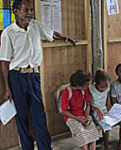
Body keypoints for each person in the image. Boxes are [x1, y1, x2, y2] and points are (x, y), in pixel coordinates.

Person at [0, 0, 77, 150]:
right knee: (21, 117)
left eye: (31, 10)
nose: (30, 13)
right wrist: (7, 88)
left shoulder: (36, 26)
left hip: (34, 76)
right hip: (17, 77)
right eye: (26, 10)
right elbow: (4, 62)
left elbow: (51, 34)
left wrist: (67, 38)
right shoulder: (8, 33)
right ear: (16, 11)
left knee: (39, 116)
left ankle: (45, 148)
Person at [89, 68, 121, 150]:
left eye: (106, 86)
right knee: (106, 125)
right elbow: (89, 106)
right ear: (96, 83)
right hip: (96, 112)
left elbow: (108, 104)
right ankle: (106, 147)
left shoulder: (108, 88)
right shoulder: (90, 89)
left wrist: (114, 112)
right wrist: (98, 110)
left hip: (106, 111)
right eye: (101, 87)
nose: (104, 88)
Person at [61, 70, 99, 150]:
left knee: (92, 131)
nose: (88, 87)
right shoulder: (66, 92)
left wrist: (86, 116)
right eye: (86, 85)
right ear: (79, 86)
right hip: (71, 117)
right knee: (80, 133)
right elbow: (64, 111)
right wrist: (78, 118)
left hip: (83, 115)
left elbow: (88, 105)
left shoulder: (85, 91)